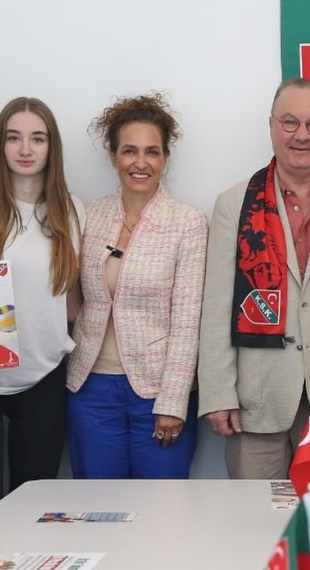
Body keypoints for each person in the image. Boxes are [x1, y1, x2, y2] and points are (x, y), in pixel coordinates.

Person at [199, 78, 310, 479]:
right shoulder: (234, 204)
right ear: (271, 126)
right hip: (255, 401)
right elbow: (216, 307)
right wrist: (217, 393)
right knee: (254, 515)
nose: (302, 135)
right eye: (289, 122)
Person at [0, 97, 85, 520]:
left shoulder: (71, 210)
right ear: (0, 145)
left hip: (42, 376)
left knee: (34, 513)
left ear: (52, 147)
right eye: (14, 138)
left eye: (37, 139)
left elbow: (70, 301)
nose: (25, 149)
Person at [66, 93, 206, 478]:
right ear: (113, 156)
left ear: (165, 158)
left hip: (158, 393)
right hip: (90, 388)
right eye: (129, 151)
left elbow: (188, 320)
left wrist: (173, 402)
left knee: (162, 506)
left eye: (152, 152)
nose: (140, 163)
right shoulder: (87, 214)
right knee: (97, 505)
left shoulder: (188, 222)